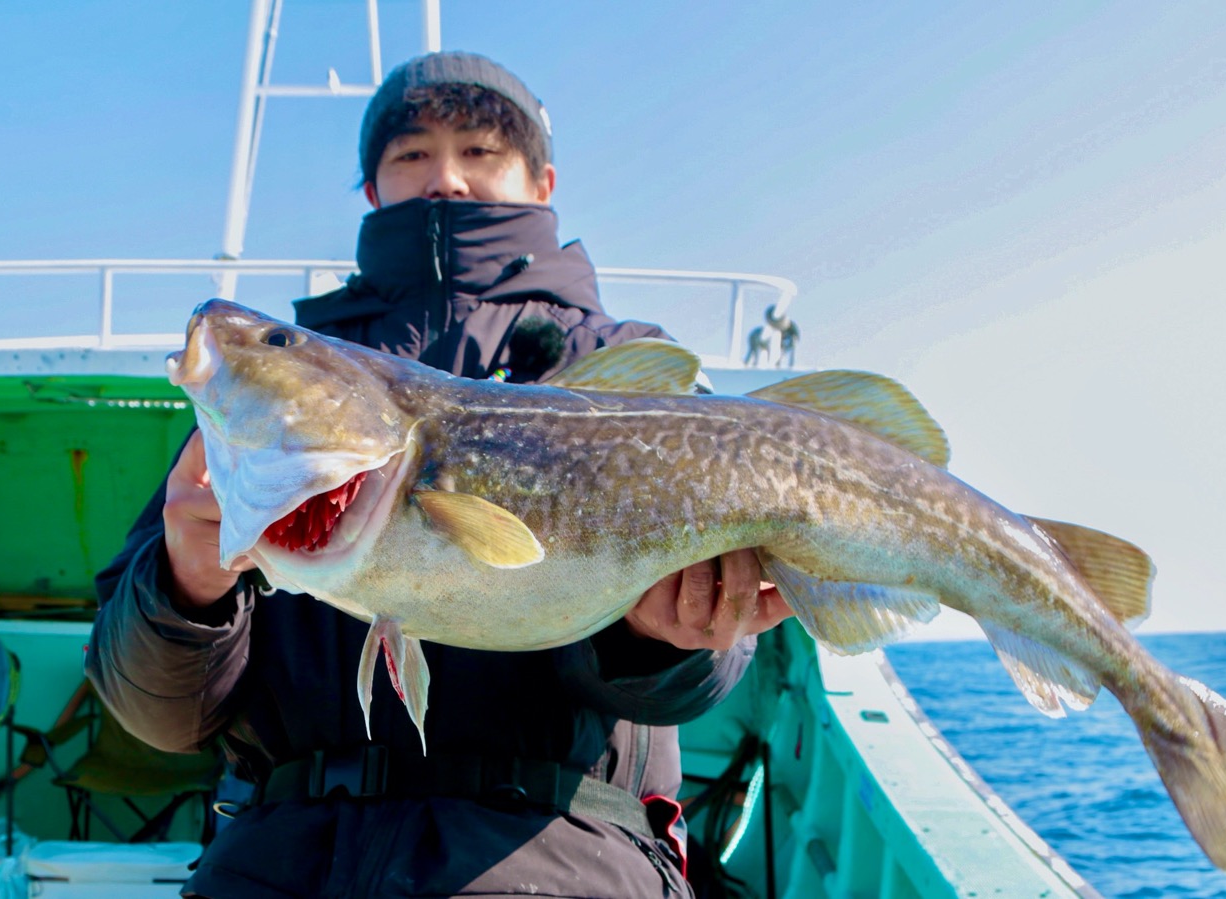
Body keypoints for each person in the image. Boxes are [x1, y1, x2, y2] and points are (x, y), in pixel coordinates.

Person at [88, 51, 791, 898]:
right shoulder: (269, 398)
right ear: (374, 190)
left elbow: (706, 671)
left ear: (543, 180)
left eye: (482, 152)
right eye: (412, 153)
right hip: (275, 858)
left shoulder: (626, 370)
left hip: (559, 855)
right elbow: (158, 713)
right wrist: (184, 586)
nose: (446, 179)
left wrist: (659, 634)